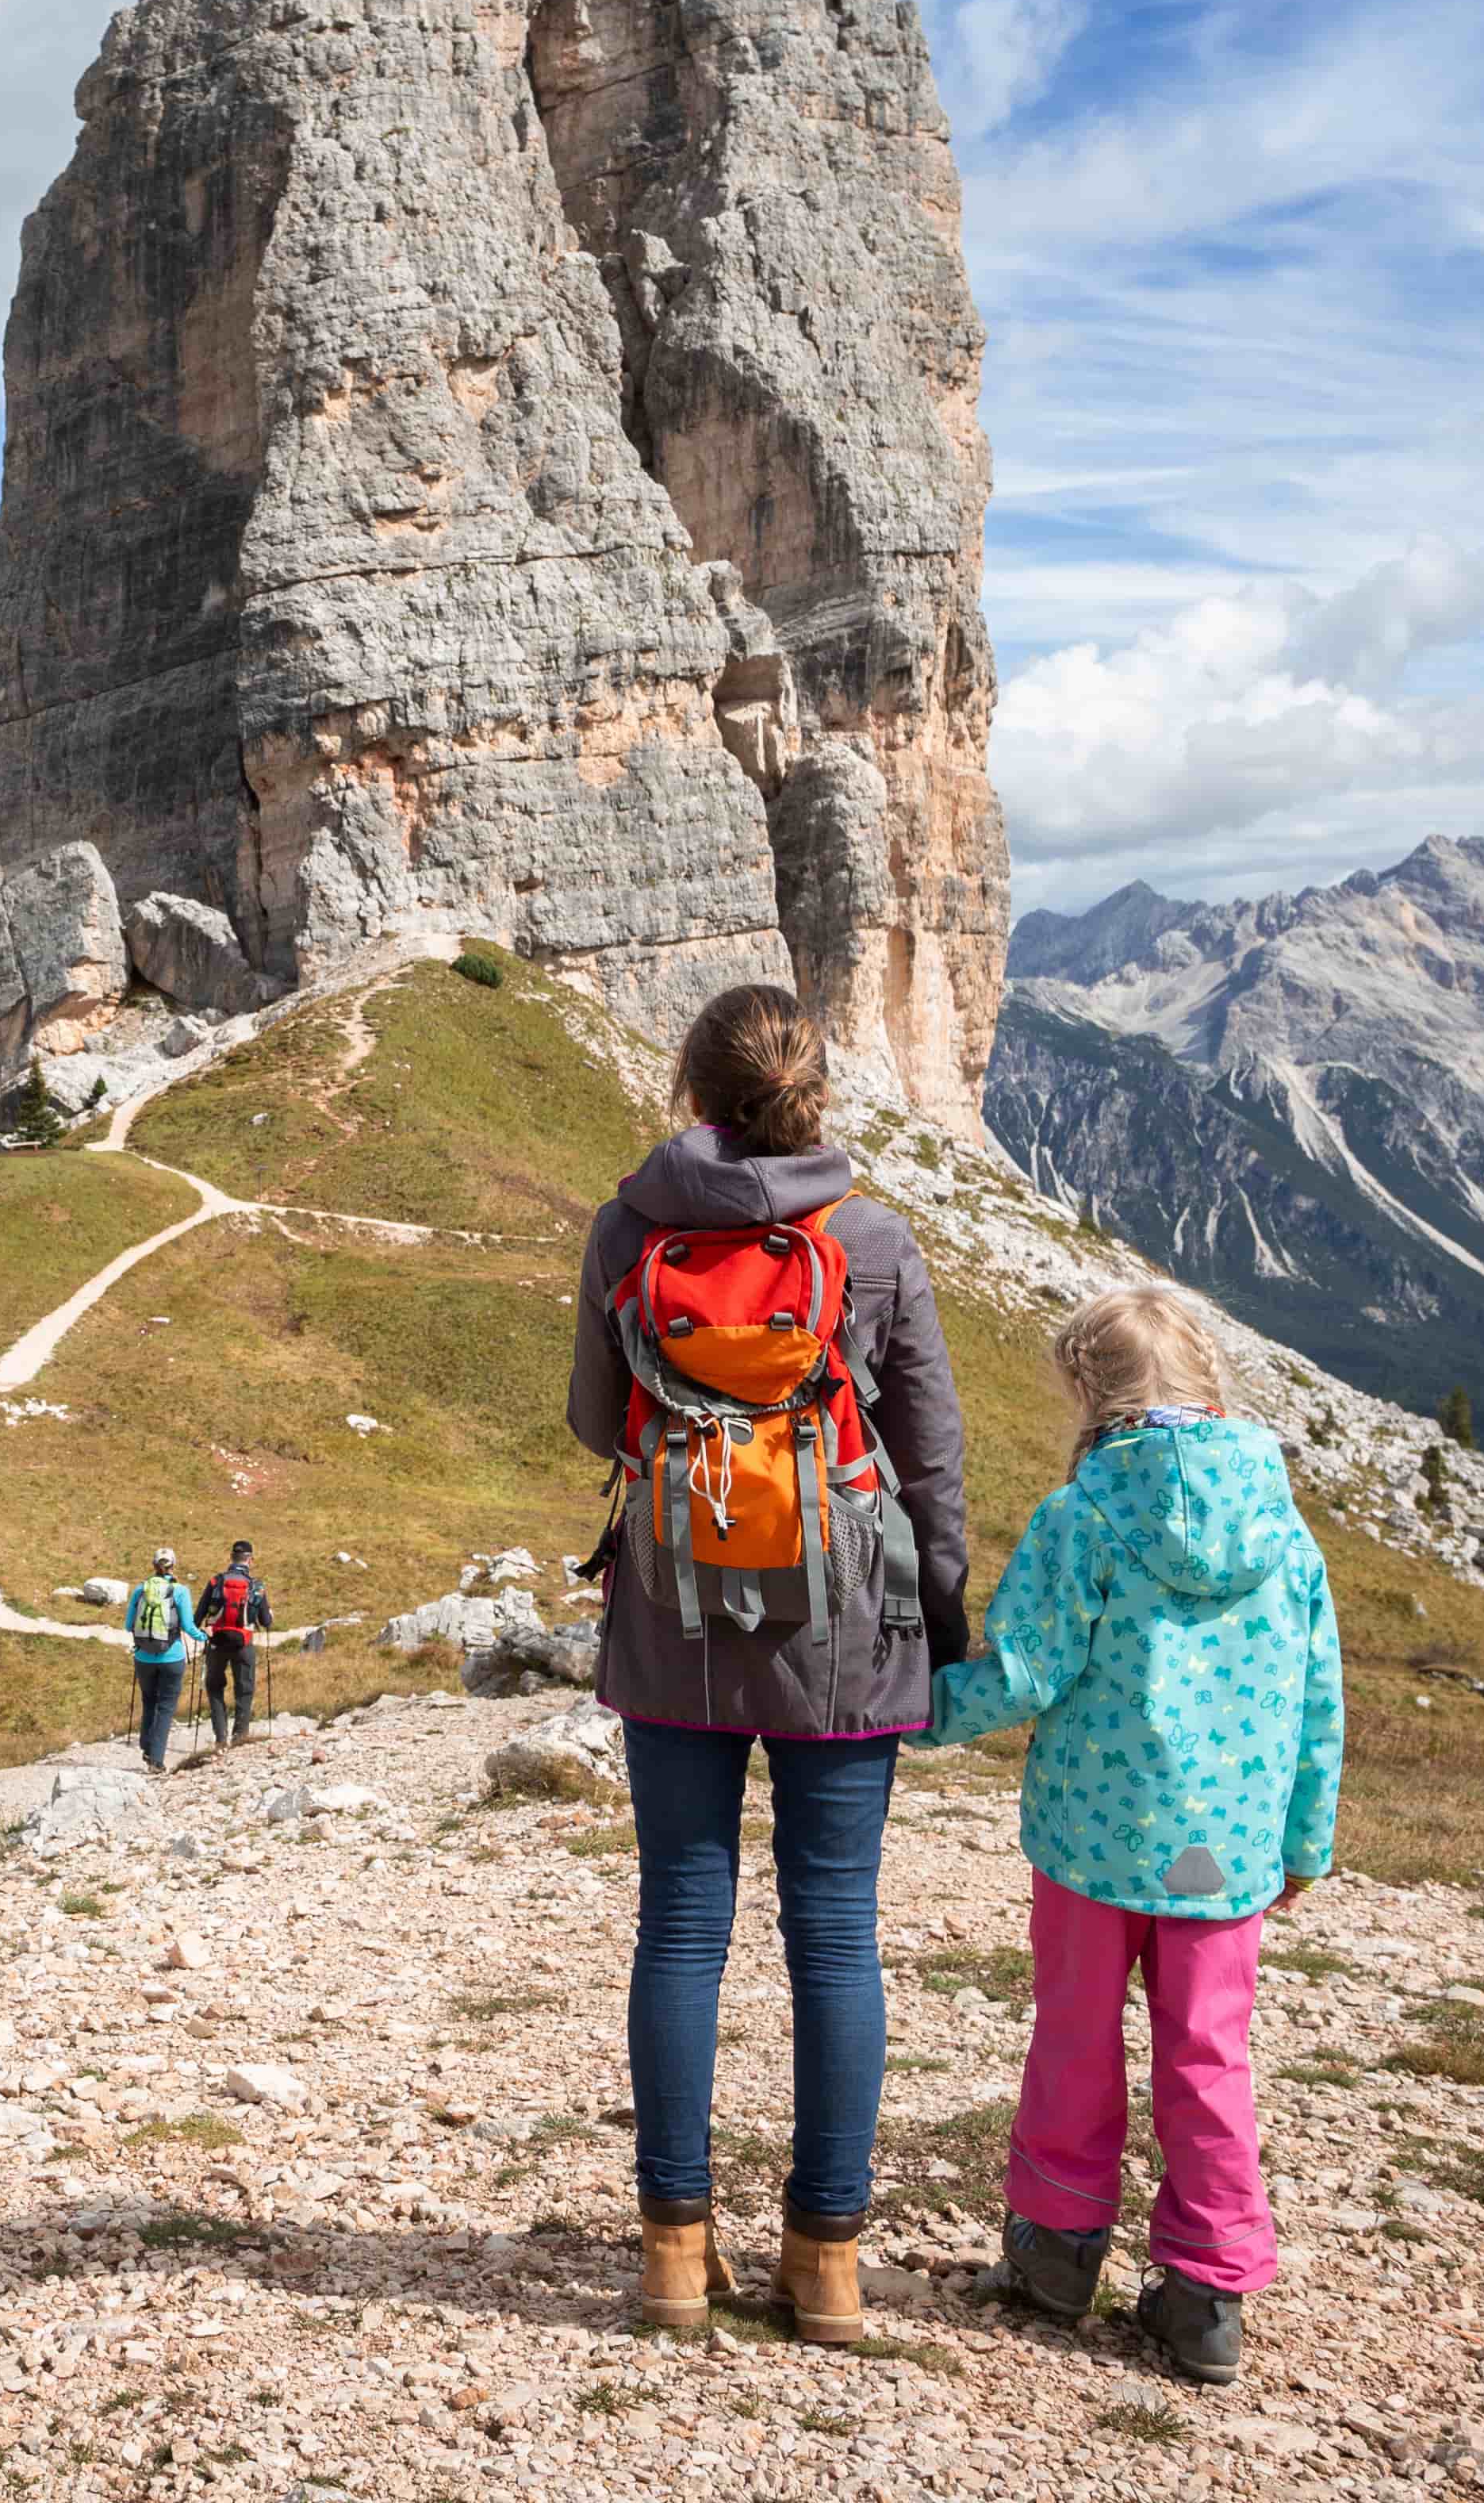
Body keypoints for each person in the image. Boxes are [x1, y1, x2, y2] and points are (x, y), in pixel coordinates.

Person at [566, 981, 971, 2347]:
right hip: (846, 1622)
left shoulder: (628, 1227)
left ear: (691, 1089)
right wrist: (945, 1606)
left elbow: (588, 1417)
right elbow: (928, 1453)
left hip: (670, 1605)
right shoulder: (871, 1238)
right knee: (833, 1932)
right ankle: (826, 2262)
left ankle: (675, 2257)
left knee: (681, 1918)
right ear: (813, 1094)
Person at [919, 1284, 1343, 2388]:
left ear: (1085, 1390)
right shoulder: (1284, 1528)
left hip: (1094, 1842)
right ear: (1210, 1379)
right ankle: (1207, 2294)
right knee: (1209, 2053)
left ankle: (1055, 2258)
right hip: (1222, 1851)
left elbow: (1025, 1672)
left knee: (1075, 2031)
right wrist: (1304, 1841)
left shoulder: (1084, 1516)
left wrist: (911, 1716)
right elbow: (1316, 1698)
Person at [121, 1546, 197, 1774]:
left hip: (143, 1657)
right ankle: (156, 1760)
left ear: (154, 1565)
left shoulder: (140, 1590)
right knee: (165, 1707)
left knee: (149, 1701)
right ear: (173, 1565)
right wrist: (204, 1636)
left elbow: (128, 1626)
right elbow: (188, 1626)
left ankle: (147, 1746)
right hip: (172, 1657)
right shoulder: (180, 1591)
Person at [197, 1539, 277, 1747]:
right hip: (244, 1643)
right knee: (245, 1688)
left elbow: (198, 1616)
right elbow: (266, 1622)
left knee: (214, 1687)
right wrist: (269, 1615)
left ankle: (221, 1738)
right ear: (250, 1560)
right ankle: (240, 1736)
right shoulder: (256, 1586)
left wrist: (203, 1631)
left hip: (217, 1642)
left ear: (231, 1558)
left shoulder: (216, 1582)